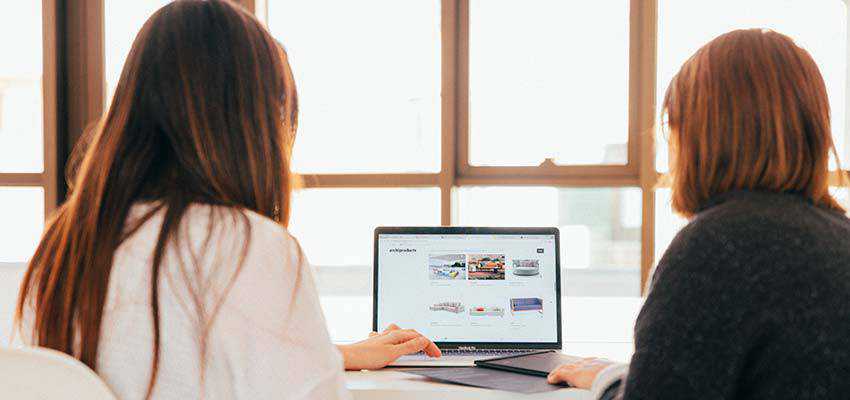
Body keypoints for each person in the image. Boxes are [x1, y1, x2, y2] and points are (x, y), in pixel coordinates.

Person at [13, 1, 439, 399]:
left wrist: (334, 353)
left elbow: (155, 360)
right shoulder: (249, 246)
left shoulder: (64, 247)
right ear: (255, 127)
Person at [548, 29, 850, 399]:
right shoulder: (839, 235)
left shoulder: (718, 245)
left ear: (697, 134)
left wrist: (613, 386)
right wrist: (620, 375)